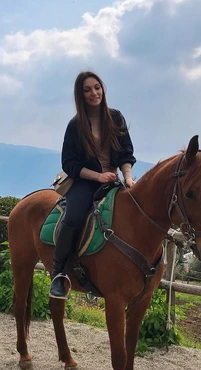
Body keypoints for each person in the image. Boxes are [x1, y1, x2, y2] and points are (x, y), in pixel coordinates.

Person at [49, 71, 137, 299]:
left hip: (115, 181)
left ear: (102, 88)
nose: (93, 93)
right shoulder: (75, 125)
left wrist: (127, 177)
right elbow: (68, 163)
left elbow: (126, 152)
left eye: (96, 87)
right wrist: (98, 177)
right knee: (75, 216)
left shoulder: (116, 118)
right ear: (80, 94)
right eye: (87, 90)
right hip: (86, 182)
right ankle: (58, 274)